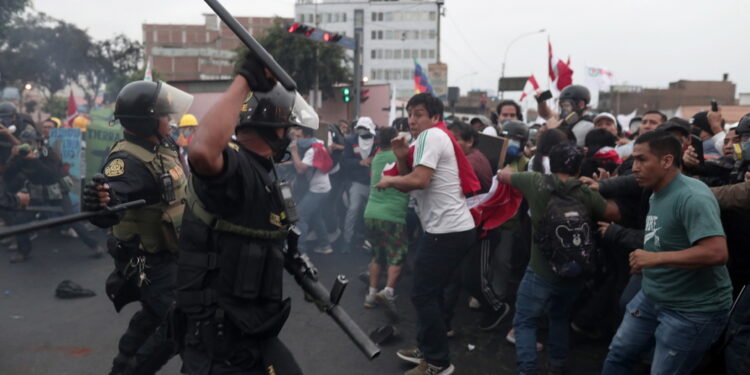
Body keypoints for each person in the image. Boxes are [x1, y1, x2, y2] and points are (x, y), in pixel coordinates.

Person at [173, 53, 318, 375]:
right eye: (288, 129)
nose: (291, 136)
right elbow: (202, 152)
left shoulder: (262, 169)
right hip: (221, 340)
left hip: (251, 328)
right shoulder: (237, 166)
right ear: (275, 129)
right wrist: (245, 80)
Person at [83, 80, 193, 375]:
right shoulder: (127, 159)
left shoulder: (161, 146)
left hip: (167, 254)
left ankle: (122, 366)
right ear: (147, 120)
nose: (170, 121)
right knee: (180, 324)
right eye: (164, 115)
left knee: (156, 316)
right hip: (148, 260)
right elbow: (113, 198)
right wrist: (101, 201)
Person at [602, 130, 732, 375]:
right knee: (618, 355)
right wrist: (646, 259)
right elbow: (667, 237)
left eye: (642, 160)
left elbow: (716, 253)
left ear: (667, 161)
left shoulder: (692, 196)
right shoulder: (655, 191)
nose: (634, 168)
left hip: (690, 311)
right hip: (652, 296)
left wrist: (655, 258)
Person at [377, 93, 478, 375]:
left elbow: (419, 181)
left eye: (419, 113)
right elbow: (413, 182)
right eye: (410, 114)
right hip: (448, 230)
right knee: (429, 293)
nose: (412, 120)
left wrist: (389, 179)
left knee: (423, 295)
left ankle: (438, 363)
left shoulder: (431, 136)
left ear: (435, 118)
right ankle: (427, 347)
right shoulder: (431, 138)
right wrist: (399, 157)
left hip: (447, 231)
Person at [498, 142, 618, 375]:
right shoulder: (584, 191)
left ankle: (528, 369)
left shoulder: (535, 181)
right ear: (578, 168)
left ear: (550, 163)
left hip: (540, 271)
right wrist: (605, 183)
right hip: (575, 271)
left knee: (524, 321)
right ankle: (558, 364)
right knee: (560, 316)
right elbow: (611, 212)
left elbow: (504, 175)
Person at [363, 126, 410, 319]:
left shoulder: (377, 159)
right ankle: (388, 291)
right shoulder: (400, 158)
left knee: (376, 255)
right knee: (397, 255)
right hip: (393, 215)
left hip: (371, 213)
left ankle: (371, 294)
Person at [290, 126, 334, 255]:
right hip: (323, 187)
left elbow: (301, 169)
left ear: (308, 136)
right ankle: (325, 245)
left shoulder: (313, 149)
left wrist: (293, 152)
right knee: (315, 216)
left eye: (299, 137)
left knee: (301, 216)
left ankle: (300, 251)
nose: (297, 140)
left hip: (318, 190)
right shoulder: (318, 144)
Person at [341, 116, 377, 252]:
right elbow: (345, 161)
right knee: (352, 210)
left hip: (374, 183)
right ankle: (346, 241)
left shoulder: (377, 140)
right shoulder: (351, 140)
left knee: (372, 214)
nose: (362, 131)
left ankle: (371, 242)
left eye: (365, 128)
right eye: (360, 128)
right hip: (357, 182)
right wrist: (359, 162)